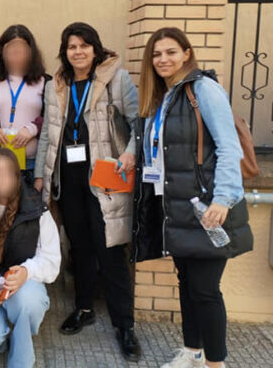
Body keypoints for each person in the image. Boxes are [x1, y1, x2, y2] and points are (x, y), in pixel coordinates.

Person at [133, 27, 252, 368]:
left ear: (187, 53)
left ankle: (215, 363)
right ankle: (192, 353)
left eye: (171, 52)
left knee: (205, 290)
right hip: (177, 207)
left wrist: (223, 199)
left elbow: (228, 148)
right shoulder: (164, 96)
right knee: (186, 284)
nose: (163, 59)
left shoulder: (203, 89)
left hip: (207, 207)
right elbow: (151, 141)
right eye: (156, 54)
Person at [34, 22, 141, 360]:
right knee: (78, 246)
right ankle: (83, 308)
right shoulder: (56, 85)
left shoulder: (116, 79)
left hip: (105, 178)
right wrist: (40, 176)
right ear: (64, 52)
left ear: (95, 49)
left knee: (110, 249)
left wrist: (131, 154)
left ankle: (125, 326)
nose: (78, 52)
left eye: (84, 45)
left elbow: (138, 123)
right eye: (71, 46)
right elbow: (48, 135)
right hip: (68, 178)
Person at [0, 148, 60, 368]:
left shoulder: (35, 208)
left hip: (20, 287)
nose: (0, 179)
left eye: (6, 172)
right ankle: (6, 330)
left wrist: (26, 271)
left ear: (17, 175)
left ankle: (21, 346)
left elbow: (51, 260)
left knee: (29, 302)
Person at [0, 24, 50, 186]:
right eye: (11, 50)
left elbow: (54, 117)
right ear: (1, 53)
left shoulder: (46, 82)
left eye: (22, 50)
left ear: (31, 52)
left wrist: (33, 129)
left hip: (33, 165)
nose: (16, 55)